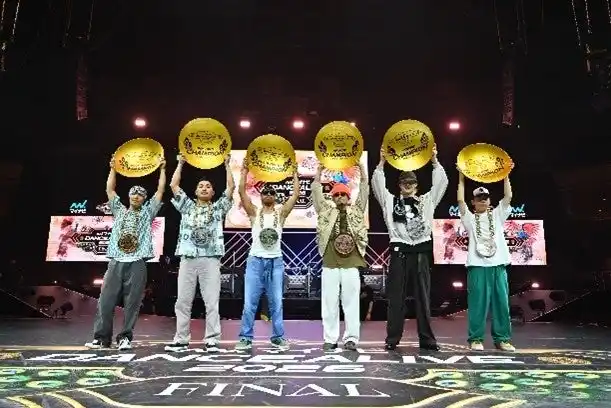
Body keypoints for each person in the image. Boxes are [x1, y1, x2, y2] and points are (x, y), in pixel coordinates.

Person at [85, 155, 166, 350]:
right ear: (129, 196)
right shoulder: (119, 210)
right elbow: (110, 189)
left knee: (132, 303)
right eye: (133, 194)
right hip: (116, 261)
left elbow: (160, 191)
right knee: (105, 301)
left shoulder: (148, 212)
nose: (136, 196)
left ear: (144, 199)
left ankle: (125, 338)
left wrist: (162, 169)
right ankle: (101, 338)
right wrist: (113, 168)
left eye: (140, 195)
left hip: (137, 261)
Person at [372, 144, 447, 351]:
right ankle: (392, 339)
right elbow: (378, 185)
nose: (408, 185)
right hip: (400, 252)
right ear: (399, 185)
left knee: (423, 297)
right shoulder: (390, 202)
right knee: (396, 297)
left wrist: (434, 161)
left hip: (421, 251)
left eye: (411, 182)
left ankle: (427, 340)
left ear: (416, 186)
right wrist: (381, 163)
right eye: (404, 182)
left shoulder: (426, 201)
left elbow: (441, 183)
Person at [164, 154, 235, 353]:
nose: (204, 188)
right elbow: (174, 185)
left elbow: (231, 188)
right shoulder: (187, 207)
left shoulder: (218, 208)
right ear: (195, 192)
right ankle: (181, 339)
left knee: (211, 302)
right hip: (188, 258)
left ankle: (212, 339)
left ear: (213, 192)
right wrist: (180, 163)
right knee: (182, 301)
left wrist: (227, 165)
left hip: (210, 259)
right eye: (201, 186)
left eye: (208, 186)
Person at [234, 159, 300, 351]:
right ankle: (245, 338)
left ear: (276, 197)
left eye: (272, 192)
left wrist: (295, 174)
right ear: (261, 196)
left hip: (275, 262)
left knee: (276, 302)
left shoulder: (281, 214)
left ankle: (278, 337)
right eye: (265, 192)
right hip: (255, 261)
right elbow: (241, 192)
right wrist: (244, 171)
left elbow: (296, 195)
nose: (269, 194)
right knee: (250, 303)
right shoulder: (254, 213)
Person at [457, 167, 516, 352]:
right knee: (477, 305)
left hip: (498, 265)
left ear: (489, 201)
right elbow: (460, 200)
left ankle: (502, 339)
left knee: (501, 305)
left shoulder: (497, 215)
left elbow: (508, 197)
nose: (482, 200)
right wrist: (461, 176)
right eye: (479, 198)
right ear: (473, 202)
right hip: (477, 266)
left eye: (485, 198)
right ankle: (475, 339)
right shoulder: (469, 219)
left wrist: (506, 174)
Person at [312, 161, 368, 352]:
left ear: (348, 196)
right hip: (330, 262)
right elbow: (316, 194)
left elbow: (364, 192)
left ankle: (351, 338)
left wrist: (362, 170)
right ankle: (330, 338)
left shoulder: (357, 211)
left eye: (343, 194)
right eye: (336, 195)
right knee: (329, 303)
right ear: (333, 198)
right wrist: (319, 172)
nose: (340, 197)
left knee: (351, 302)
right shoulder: (325, 211)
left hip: (351, 262)